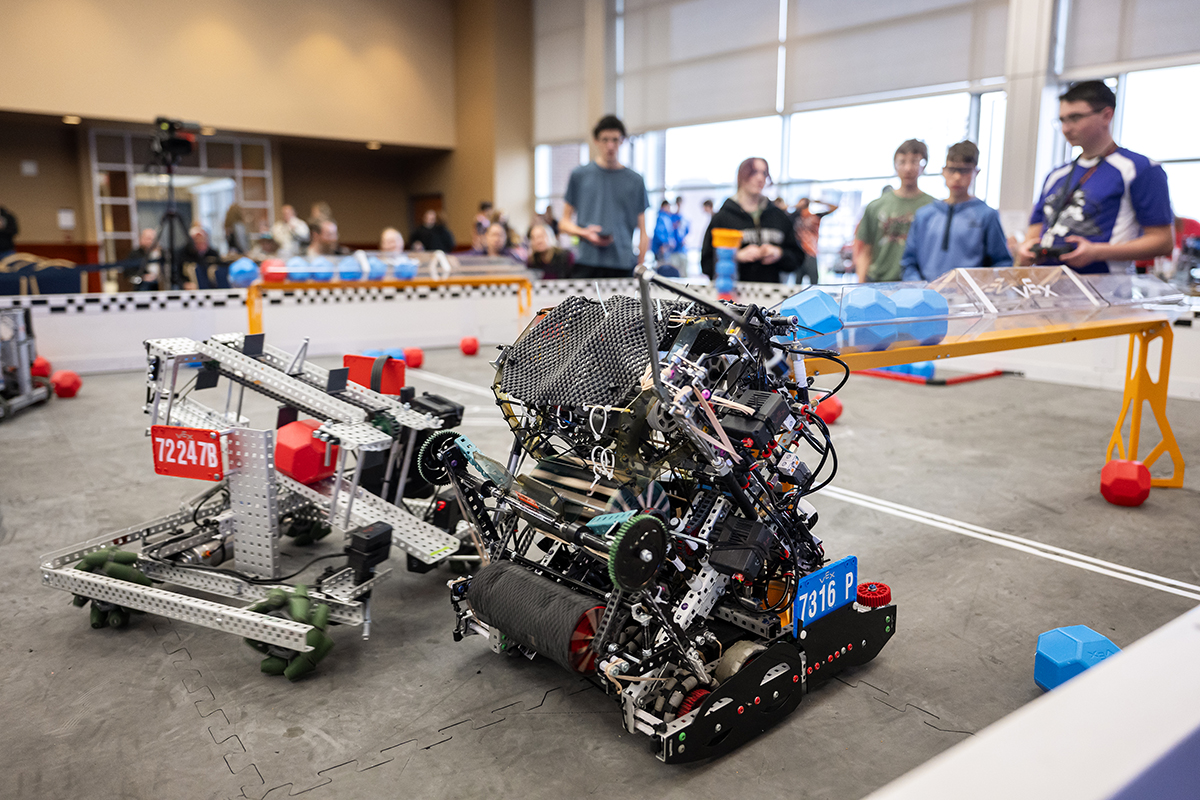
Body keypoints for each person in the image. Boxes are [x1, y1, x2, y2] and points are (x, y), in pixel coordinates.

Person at [1016, 81, 1172, 273]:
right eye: (1062, 120)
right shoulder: (1056, 175)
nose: (1066, 128)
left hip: (1105, 291)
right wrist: (1026, 247)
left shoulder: (1139, 169)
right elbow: (1036, 228)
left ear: (1106, 115)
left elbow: (1163, 241)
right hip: (1048, 285)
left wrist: (1097, 252)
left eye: (1075, 118)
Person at [901, 141, 1012, 281]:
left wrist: (979, 287)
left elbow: (1002, 263)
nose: (957, 177)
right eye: (952, 170)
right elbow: (908, 263)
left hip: (969, 298)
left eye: (965, 171)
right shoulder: (924, 215)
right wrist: (920, 287)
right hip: (927, 294)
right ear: (944, 171)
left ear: (976, 172)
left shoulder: (987, 215)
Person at [560, 115, 650, 279]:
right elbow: (564, 223)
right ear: (596, 141)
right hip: (587, 263)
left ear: (622, 141)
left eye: (615, 140)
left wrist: (641, 266)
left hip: (623, 264)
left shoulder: (635, 181)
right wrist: (585, 233)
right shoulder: (579, 175)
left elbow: (644, 231)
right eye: (605, 139)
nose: (610, 145)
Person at [700, 157, 804, 283]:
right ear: (742, 175)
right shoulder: (723, 218)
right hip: (732, 295)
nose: (760, 178)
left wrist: (779, 254)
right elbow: (706, 264)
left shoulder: (778, 216)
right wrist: (736, 257)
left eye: (764, 173)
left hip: (770, 295)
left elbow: (797, 258)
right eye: (754, 172)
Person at [855, 139, 935, 282]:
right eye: (902, 162)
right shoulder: (875, 206)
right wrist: (860, 286)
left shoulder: (933, 208)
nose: (908, 168)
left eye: (914, 161)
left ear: (924, 166)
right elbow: (865, 250)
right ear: (895, 165)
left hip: (917, 284)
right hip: (877, 282)